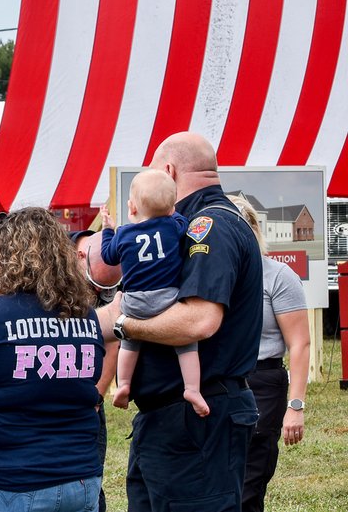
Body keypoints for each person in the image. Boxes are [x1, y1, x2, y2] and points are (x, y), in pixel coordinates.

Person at [106, 132, 263, 512]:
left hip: (197, 420)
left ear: (169, 171)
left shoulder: (209, 225)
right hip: (173, 420)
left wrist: (126, 328)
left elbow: (199, 321)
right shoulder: (182, 226)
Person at [0, 207, 106, 512]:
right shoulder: (84, 315)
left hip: (8, 478)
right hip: (80, 477)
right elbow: (93, 377)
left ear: (3, 257)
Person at [100, 169, 208, 416]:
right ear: (170, 207)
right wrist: (172, 211)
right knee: (185, 342)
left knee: (129, 340)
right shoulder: (173, 225)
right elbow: (182, 222)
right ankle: (192, 388)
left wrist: (108, 230)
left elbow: (107, 255)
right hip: (167, 300)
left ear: (132, 207)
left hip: (134, 302)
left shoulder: (124, 234)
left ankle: (124, 384)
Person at [232, 195, 309, 512]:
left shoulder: (278, 276)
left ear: (252, 229)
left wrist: (296, 406)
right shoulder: (211, 276)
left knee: (249, 483)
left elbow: (300, 344)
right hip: (218, 381)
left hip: (262, 381)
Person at [69, 229, 122, 512]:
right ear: (78, 257)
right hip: (53, 389)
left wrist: (95, 398)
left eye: (108, 289)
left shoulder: (116, 254)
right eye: (95, 285)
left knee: (89, 483)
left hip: (89, 396)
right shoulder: (51, 260)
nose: (100, 293)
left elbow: (111, 342)